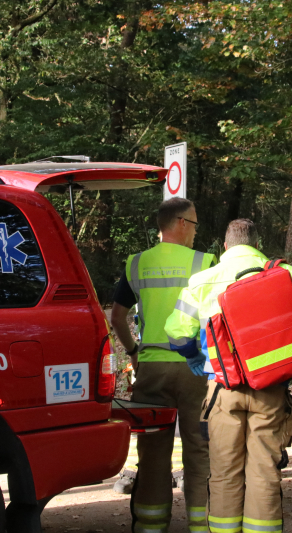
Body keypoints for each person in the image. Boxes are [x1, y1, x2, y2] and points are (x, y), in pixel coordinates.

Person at [164, 219, 292, 533]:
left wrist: (195, 357)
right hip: (272, 388)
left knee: (224, 471)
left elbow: (177, 333)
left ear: (225, 246)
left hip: (224, 389)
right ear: (256, 244)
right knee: (265, 470)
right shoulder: (285, 274)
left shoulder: (202, 280)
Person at [111, 197, 216, 533]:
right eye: (195, 223)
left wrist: (133, 352)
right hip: (195, 370)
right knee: (199, 452)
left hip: (152, 369)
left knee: (153, 456)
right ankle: (202, 526)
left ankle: (150, 526)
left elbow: (117, 316)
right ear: (181, 223)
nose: (196, 231)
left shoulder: (137, 264)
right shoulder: (204, 263)